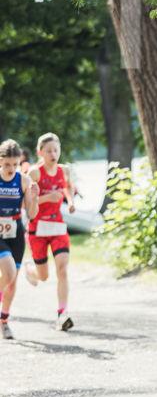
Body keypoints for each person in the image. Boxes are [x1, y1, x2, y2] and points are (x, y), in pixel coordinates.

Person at [23, 133, 75, 332]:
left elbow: (68, 188)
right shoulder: (35, 174)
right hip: (37, 229)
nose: (53, 154)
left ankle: (62, 313)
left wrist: (70, 202)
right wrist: (47, 198)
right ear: (40, 153)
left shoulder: (64, 170)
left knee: (62, 269)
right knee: (43, 276)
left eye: (56, 150)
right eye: (49, 151)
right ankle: (30, 271)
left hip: (58, 227)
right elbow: (25, 203)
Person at [0, 140, 39, 340]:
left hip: (16, 233)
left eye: (15, 164)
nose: (11, 169)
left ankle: (4, 321)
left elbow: (31, 214)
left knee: (12, 282)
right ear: (0, 161)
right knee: (9, 271)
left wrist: (35, 197)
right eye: (7, 164)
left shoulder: (23, 180)